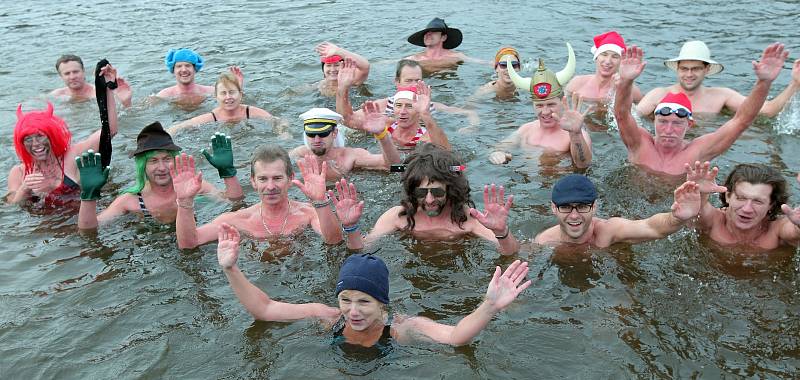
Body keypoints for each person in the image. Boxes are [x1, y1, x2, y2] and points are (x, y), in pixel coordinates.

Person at [217, 235, 531, 347]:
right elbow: (265, 309)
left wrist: (489, 306)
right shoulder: (327, 317)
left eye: (364, 302)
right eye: (346, 300)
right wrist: (231, 268)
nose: (353, 311)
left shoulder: (401, 329)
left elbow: (455, 337)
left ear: (382, 303)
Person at [614, 44, 787, 176]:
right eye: (663, 122)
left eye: (676, 123)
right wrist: (625, 81)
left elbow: (741, 121)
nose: (668, 130)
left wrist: (764, 83)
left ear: (689, 125)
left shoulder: (699, 151)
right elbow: (622, 114)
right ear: (655, 121)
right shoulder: (639, 142)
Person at [332, 143, 520, 255]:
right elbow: (361, 249)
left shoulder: (468, 219)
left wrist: (501, 230)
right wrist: (351, 227)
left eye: (437, 193)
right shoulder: (398, 217)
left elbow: (511, 253)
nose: (429, 200)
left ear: (451, 189)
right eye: (421, 193)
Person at [75, 123, 244, 229]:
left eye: (167, 159)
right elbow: (89, 229)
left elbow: (234, 203)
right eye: (153, 161)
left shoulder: (194, 187)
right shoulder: (130, 200)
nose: (161, 167)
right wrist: (88, 196)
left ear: (176, 160)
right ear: (143, 166)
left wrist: (228, 172)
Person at [175, 145, 343, 249]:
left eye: (277, 178)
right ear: (253, 181)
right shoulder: (238, 219)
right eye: (263, 179)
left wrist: (320, 202)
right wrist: (184, 202)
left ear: (290, 179)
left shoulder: (308, 213)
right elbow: (190, 243)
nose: (270, 187)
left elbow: (334, 240)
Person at [6, 64, 120, 207]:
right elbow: (10, 206)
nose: (35, 144)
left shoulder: (72, 155)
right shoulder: (18, 172)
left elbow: (110, 130)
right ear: (21, 143)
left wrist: (108, 88)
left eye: (41, 136)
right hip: (47, 224)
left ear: (52, 136)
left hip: (79, 218)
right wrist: (24, 190)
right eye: (28, 139)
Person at [489, 43, 592, 168]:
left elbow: (583, 164)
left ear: (562, 102)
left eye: (551, 104)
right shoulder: (526, 130)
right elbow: (497, 148)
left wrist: (575, 134)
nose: (545, 111)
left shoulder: (575, 134)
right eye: (539, 105)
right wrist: (497, 154)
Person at [637, 40, 800, 116]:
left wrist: (795, 83)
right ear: (677, 69)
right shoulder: (659, 95)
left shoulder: (722, 96)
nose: (689, 74)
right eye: (684, 69)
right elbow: (631, 120)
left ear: (707, 70)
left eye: (696, 69)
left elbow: (767, 111)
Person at [534, 174, 701, 247]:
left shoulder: (608, 231)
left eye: (583, 206)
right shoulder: (545, 241)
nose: (575, 215)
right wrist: (505, 233)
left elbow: (652, 227)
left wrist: (677, 218)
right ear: (553, 208)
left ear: (595, 207)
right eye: (565, 207)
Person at [336, 58, 479, 132]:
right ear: (397, 82)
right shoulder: (383, 105)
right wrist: (343, 88)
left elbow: (469, 113)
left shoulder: (431, 106)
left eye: (417, 81)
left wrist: (471, 127)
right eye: (408, 81)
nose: (413, 86)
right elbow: (346, 119)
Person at [686, 161, 800, 249]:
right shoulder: (714, 221)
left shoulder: (777, 229)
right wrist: (699, 193)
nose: (747, 209)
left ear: (771, 204)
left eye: (758, 201)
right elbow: (697, 211)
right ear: (728, 196)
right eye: (741, 198)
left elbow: (794, 231)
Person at [289, 107, 401, 180]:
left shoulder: (350, 156)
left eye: (323, 134)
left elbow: (396, 167)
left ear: (334, 133)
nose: (317, 140)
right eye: (311, 135)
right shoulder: (299, 154)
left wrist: (382, 135)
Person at [339, 78, 450, 150]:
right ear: (393, 108)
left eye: (409, 106)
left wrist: (425, 114)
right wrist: (343, 88)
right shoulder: (385, 124)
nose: (402, 111)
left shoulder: (425, 138)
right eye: (398, 105)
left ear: (418, 112)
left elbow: (448, 156)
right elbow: (347, 120)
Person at [168, 71, 288, 136]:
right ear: (216, 97)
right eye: (223, 93)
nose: (228, 97)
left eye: (232, 92)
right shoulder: (213, 116)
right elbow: (182, 125)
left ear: (240, 94)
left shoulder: (250, 111)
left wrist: (283, 133)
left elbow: (278, 120)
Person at [565, 31, 642, 103]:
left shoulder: (631, 91)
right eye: (604, 55)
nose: (608, 61)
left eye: (615, 57)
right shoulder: (577, 83)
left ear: (621, 62)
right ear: (596, 57)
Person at [50, 54, 133, 107]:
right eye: (67, 73)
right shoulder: (57, 95)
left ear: (83, 71)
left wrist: (126, 102)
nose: (72, 77)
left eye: (76, 72)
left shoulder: (97, 93)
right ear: (61, 76)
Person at [156, 48, 232, 104]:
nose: (184, 70)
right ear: (173, 70)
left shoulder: (211, 92)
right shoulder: (164, 95)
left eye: (188, 65)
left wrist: (237, 86)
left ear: (195, 69)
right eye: (179, 66)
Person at [405, 17, 470, 73]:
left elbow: (478, 63)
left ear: (443, 37)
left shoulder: (456, 57)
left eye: (434, 31)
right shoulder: (415, 59)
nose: (428, 34)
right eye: (426, 32)